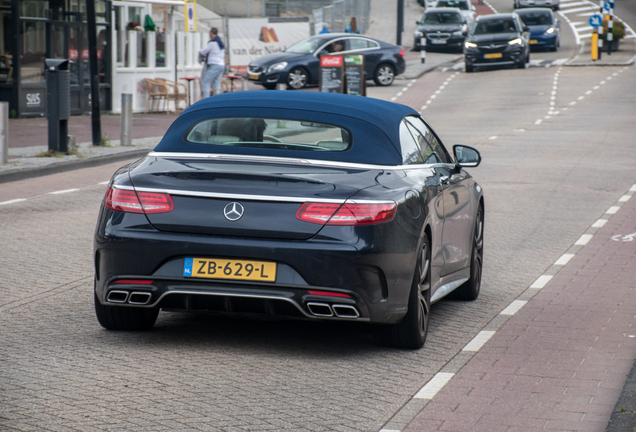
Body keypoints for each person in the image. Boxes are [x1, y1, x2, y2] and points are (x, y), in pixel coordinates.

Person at [199, 27, 226, 98]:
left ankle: (206, 102)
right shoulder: (221, 43)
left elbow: (203, 52)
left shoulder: (213, 43)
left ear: (211, 33)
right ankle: (218, 101)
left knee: (205, 83)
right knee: (216, 84)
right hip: (221, 65)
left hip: (214, 65)